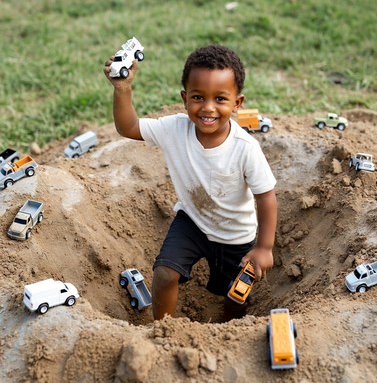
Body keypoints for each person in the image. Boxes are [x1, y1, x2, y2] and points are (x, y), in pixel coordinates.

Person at [104, 44, 277, 321]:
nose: (208, 108)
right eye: (198, 97)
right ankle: (163, 329)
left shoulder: (245, 148)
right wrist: (122, 89)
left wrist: (264, 248)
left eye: (220, 99)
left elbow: (266, 196)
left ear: (237, 103)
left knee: (235, 294)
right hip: (192, 222)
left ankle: (230, 329)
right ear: (185, 98)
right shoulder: (174, 129)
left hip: (236, 235)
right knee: (164, 273)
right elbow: (128, 127)